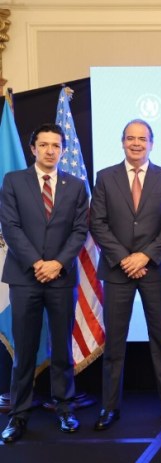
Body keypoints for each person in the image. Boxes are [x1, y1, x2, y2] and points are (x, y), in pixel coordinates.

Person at [90, 119, 161, 430]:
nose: (137, 143)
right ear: (122, 142)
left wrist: (145, 255)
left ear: (152, 144)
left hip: (154, 270)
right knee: (114, 344)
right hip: (118, 272)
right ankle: (110, 408)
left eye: (143, 139)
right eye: (131, 138)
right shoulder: (105, 177)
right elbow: (98, 223)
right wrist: (125, 258)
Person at [0, 123, 88, 443]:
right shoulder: (13, 181)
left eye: (56, 145)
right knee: (24, 350)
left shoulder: (76, 186)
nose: (51, 150)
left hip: (62, 278)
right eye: (44, 145)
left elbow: (80, 230)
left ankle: (65, 409)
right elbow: (9, 225)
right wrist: (37, 264)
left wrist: (57, 264)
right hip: (25, 277)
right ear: (33, 148)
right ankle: (19, 415)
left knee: (62, 347)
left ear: (62, 150)